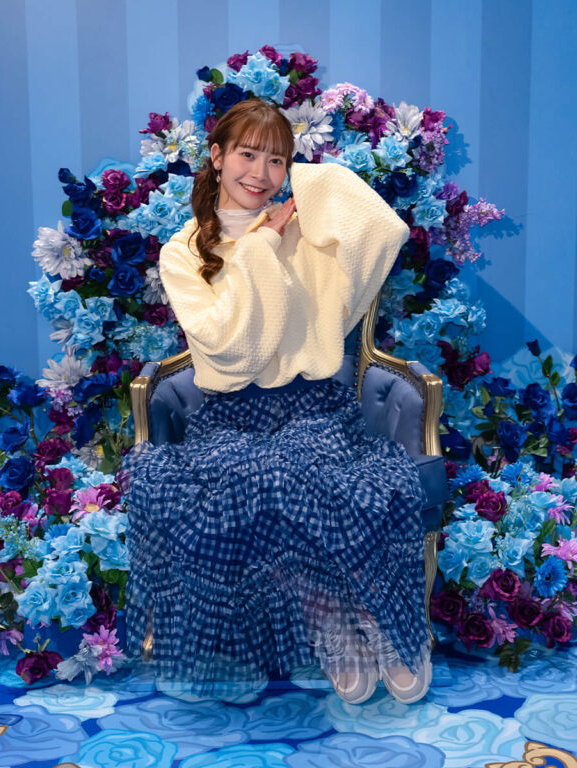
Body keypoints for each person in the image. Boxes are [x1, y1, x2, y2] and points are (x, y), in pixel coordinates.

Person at [122, 98, 432, 704]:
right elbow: (232, 350)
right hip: (231, 419)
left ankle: (378, 620)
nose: (260, 173)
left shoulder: (304, 229)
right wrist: (261, 246)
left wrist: (314, 184)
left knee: (316, 471)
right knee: (264, 476)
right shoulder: (183, 252)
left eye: (276, 160)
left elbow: (383, 229)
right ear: (216, 157)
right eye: (247, 154)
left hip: (315, 407)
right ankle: (332, 622)